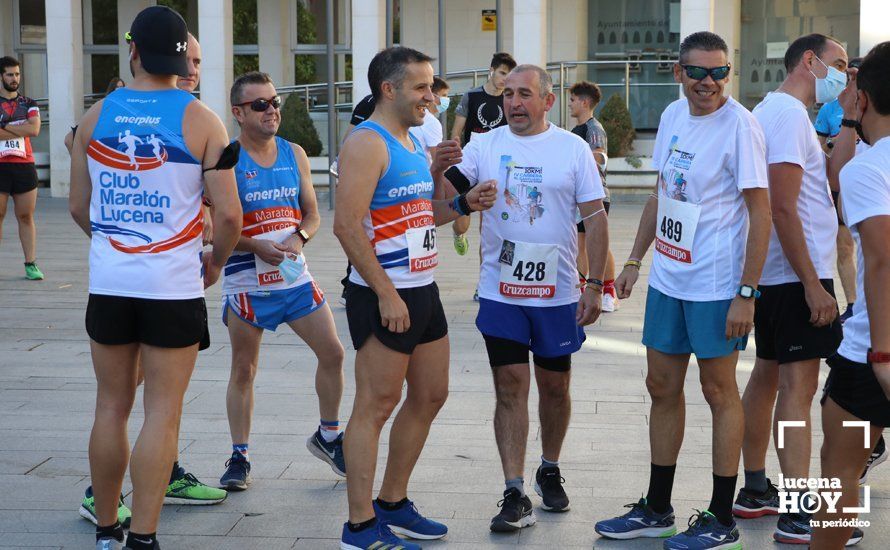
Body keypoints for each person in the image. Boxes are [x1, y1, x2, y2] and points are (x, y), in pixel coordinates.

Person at [68, 7, 242, 549]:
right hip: (171, 285)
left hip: (111, 283)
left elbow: (79, 207)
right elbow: (231, 216)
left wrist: (115, 245)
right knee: (161, 413)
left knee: (110, 407)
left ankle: (104, 531)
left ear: (134, 52)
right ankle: (143, 536)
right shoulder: (201, 120)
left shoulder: (97, 116)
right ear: (180, 58)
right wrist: (214, 261)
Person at [594, 32, 771, 550]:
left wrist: (747, 291)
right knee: (660, 386)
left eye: (719, 72)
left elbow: (761, 212)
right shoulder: (673, 116)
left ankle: (721, 517)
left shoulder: (741, 126)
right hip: (669, 279)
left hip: (717, 285)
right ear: (679, 73)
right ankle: (657, 508)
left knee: (719, 391)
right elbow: (660, 195)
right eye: (697, 72)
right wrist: (633, 260)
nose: (708, 83)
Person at [333, 46, 496, 550]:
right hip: (385, 294)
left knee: (430, 395)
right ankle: (359, 526)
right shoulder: (367, 142)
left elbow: (421, 216)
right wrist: (385, 293)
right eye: (422, 87)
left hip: (421, 288)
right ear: (389, 89)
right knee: (376, 405)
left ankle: (393, 503)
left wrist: (461, 201)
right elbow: (346, 227)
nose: (433, 96)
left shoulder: (410, 141)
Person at [442, 64, 608, 532]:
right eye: (508, 94)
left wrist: (594, 284)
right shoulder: (484, 145)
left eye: (525, 94)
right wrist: (444, 174)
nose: (514, 102)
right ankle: (514, 491)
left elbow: (595, 218)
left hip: (558, 294)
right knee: (510, 386)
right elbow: (443, 199)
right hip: (501, 291)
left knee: (555, 387)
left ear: (547, 101)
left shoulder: (573, 149)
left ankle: (549, 466)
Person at [735, 34, 862, 546]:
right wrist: (813, 284)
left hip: (780, 272)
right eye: (839, 65)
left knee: (768, 378)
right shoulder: (787, 114)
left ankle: (757, 488)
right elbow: (782, 205)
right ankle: (796, 509)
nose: (845, 74)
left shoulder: (780, 113)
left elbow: (827, 177)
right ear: (809, 62)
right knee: (797, 391)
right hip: (794, 273)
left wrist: (850, 115)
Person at [218, 71, 346, 490]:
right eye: (260, 104)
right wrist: (255, 246)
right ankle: (239, 457)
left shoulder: (295, 153)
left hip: (293, 278)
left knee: (334, 354)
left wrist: (299, 236)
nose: (271, 110)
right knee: (244, 369)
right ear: (238, 113)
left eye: (275, 102)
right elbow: (212, 228)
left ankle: (328, 437)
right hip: (246, 282)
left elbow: (311, 213)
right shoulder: (227, 158)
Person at [811, 40, 890, 550]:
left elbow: (883, 260)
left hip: (870, 354)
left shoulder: (869, 169)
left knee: (839, 475)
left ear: (862, 99)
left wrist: (882, 353)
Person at [450, 52, 517, 277]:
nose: (504, 79)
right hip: (473, 164)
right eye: (502, 73)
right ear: (492, 70)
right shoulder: (472, 96)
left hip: (500, 168)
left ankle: (485, 280)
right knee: (462, 225)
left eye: (509, 76)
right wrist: (456, 151)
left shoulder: (509, 100)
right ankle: (458, 234)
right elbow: (457, 131)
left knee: (488, 229)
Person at [816, 57, 863, 325]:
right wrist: (834, 146)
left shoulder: (877, 107)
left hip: (873, 186)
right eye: (849, 75)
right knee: (845, 248)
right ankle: (854, 304)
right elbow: (818, 148)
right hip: (839, 186)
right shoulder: (829, 110)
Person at [568, 80, 619, 313]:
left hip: (596, 197)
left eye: (572, 100)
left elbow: (599, 157)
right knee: (580, 243)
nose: (570, 105)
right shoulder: (575, 131)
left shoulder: (593, 128)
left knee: (597, 242)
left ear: (584, 102)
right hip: (579, 197)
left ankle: (609, 291)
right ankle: (579, 288)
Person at [0, 55, 43, 280]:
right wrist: (20, 126)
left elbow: (34, 130)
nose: (14, 78)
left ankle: (31, 263)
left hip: (24, 165)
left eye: (17, 74)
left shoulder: (29, 103)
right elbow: (26, 128)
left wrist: (5, 125)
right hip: (0, 166)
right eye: (9, 74)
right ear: (1, 76)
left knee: (25, 216)